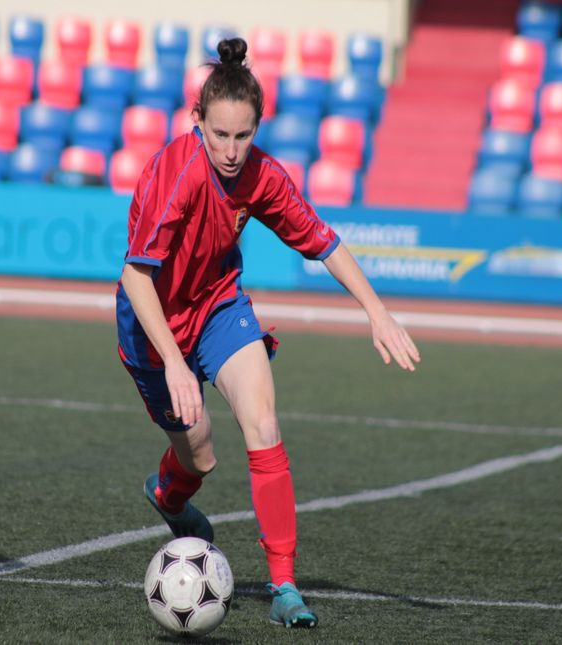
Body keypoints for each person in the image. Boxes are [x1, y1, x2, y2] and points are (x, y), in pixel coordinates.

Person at [117, 38, 420, 629]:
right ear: (197, 121)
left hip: (218, 307)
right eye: (219, 135)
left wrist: (377, 312)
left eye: (244, 135)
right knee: (200, 456)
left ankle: (285, 587)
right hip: (152, 327)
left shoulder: (262, 176)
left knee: (263, 424)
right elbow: (135, 275)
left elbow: (323, 242)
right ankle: (169, 494)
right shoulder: (177, 173)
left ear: (257, 127)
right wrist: (175, 363)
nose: (231, 151)